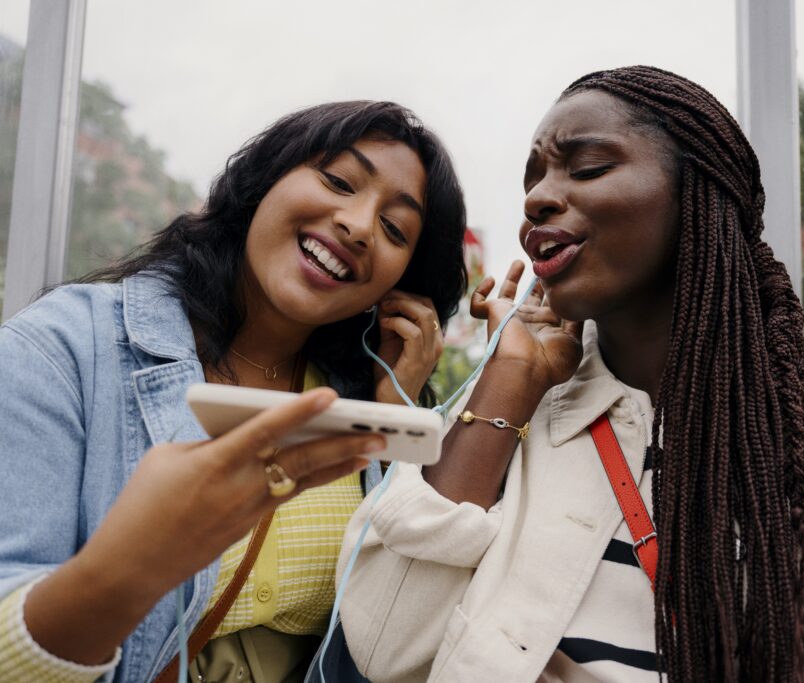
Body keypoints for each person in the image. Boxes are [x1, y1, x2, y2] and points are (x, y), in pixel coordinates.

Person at [335, 66, 804, 681]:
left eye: (588, 167)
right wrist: (508, 380)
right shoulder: (517, 415)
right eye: (534, 178)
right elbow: (382, 644)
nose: (539, 197)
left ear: (698, 192)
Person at [0, 100, 467, 682]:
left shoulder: (363, 404)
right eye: (339, 181)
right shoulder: (66, 346)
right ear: (265, 179)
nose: (358, 225)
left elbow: (397, 630)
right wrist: (128, 568)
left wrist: (396, 407)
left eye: (395, 229)